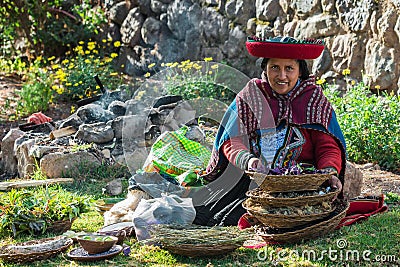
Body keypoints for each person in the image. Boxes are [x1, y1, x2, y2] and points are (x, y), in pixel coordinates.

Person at [193, 36, 347, 226]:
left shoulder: (313, 100)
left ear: (300, 71)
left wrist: (329, 173)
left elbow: (328, 146)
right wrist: (249, 161)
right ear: (265, 68)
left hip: (300, 185)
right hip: (251, 182)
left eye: (289, 68)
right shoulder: (251, 95)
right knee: (208, 216)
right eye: (275, 67)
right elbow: (231, 141)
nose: (282, 76)